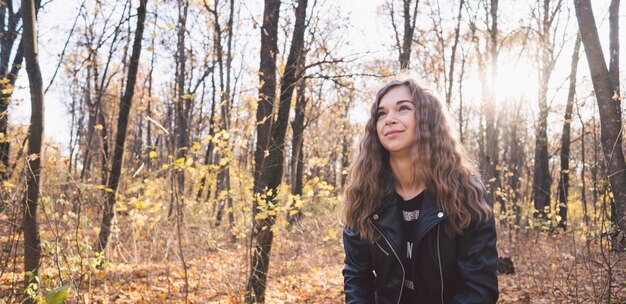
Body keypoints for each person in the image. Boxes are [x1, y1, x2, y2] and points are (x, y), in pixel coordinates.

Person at [341, 79, 498, 304]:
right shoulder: (364, 194)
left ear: (427, 119)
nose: (390, 119)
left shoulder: (466, 193)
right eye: (381, 114)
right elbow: (356, 277)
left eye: (403, 108)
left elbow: (479, 287)